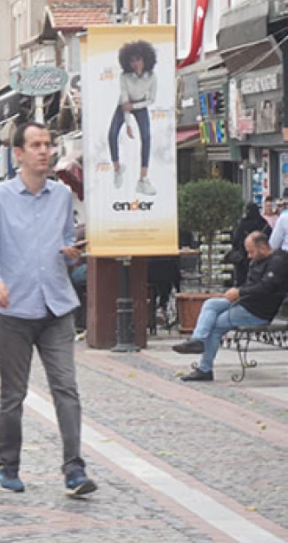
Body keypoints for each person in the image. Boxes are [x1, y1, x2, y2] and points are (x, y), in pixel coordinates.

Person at [0, 121, 96, 497]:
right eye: (36, 145)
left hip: (56, 306)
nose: (45, 151)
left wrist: (71, 255)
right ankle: (8, 466)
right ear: (19, 154)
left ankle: (74, 468)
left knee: (67, 389)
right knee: (14, 395)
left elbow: (63, 243)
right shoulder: (0, 197)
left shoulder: (61, 197)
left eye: (49, 144)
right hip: (15, 311)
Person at [172, 231, 288, 381]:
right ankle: (197, 340)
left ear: (263, 247)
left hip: (257, 311)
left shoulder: (278, 261)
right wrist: (234, 293)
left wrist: (239, 292)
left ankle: (204, 369)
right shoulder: (258, 261)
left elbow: (266, 287)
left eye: (251, 251)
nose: (249, 256)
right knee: (211, 304)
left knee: (216, 325)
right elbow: (250, 284)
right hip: (244, 303)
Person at [108, 40, 158, 196]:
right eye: (132, 60)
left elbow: (151, 100)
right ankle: (117, 168)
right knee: (112, 134)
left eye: (138, 59)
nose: (135, 63)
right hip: (124, 104)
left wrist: (135, 107)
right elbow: (125, 101)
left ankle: (143, 179)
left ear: (145, 59)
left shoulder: (152, 77)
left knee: (146, 137)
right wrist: (128, 123)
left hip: (141, 105)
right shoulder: (124, 77)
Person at [230, 203, 272, 286]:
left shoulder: (243, 224)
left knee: (242, 283)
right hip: (261, 258)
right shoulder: (264, 223)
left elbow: (235, 240)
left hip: (243, 259)